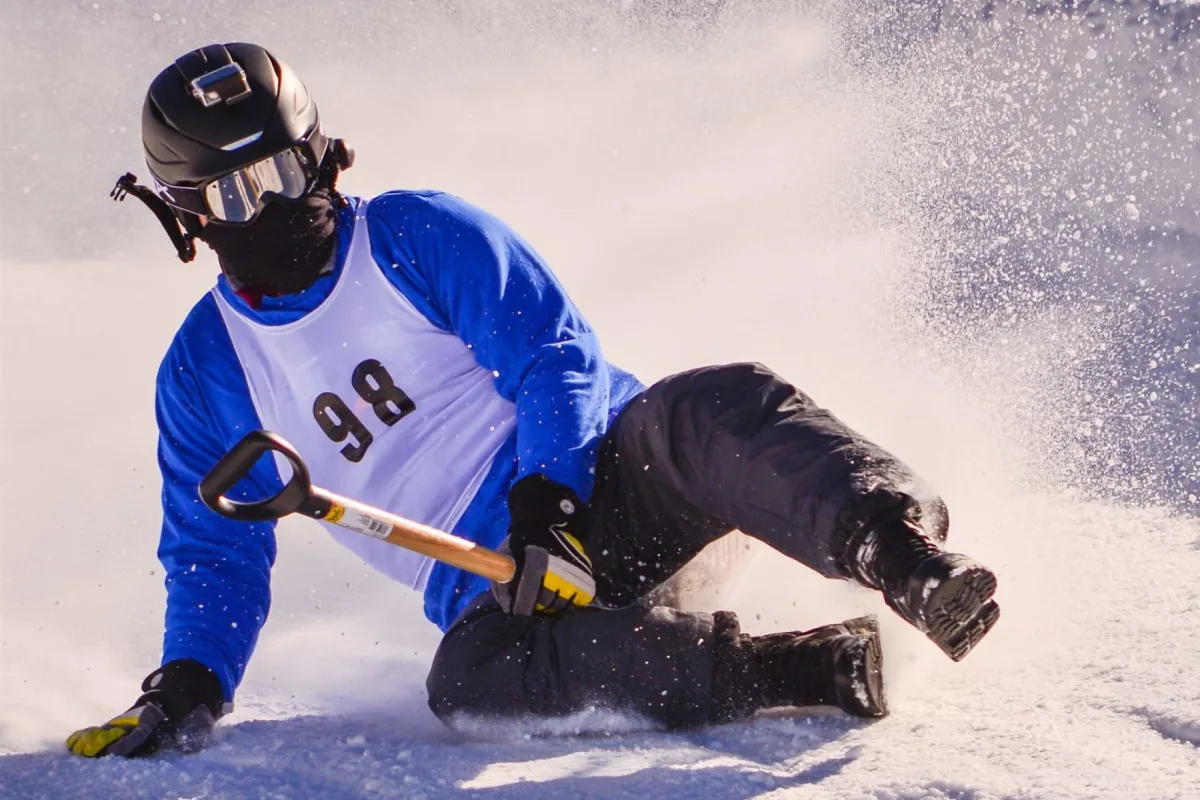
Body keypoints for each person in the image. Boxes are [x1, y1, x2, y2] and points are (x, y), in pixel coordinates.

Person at [66, 43, 999, 759]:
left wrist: (549, 501)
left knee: (716, 405)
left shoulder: (416, 235)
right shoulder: (206, 371)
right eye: (238, 193)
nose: (274, 204)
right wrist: (189, 681)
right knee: (471, 684)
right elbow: (215, 549)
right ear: (187, 214)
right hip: (494, 588)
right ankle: (788, 669)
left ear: (322, 152)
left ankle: (899, 552)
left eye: (285, 169)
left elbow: (556, 359)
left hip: (605, 485)